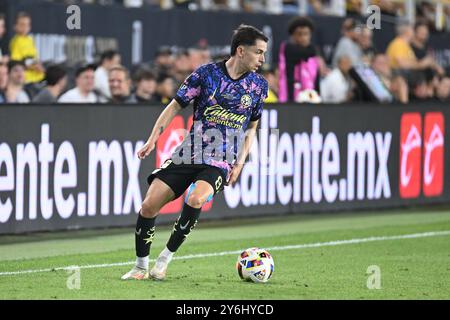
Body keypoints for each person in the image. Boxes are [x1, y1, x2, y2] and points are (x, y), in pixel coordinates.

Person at [121, 24, 268, 281]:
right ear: (241, 51)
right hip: (189, 152)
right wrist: (153, 138)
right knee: (148, 205)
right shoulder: (206, 74)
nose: (262, 59)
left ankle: (164, 259)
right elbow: (175, 106)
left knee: (196, 199)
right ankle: (140, 266)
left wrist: (241, 162)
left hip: (221, 160)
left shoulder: (258, 87)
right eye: (259, 52)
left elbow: (252, 127)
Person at [278, 16, 321, 103]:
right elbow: (310, 51)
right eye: (299, 34)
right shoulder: (287, 48)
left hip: (310, 99)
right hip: (289, 99)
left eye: (306, 34)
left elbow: (316, 80)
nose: (303, 38)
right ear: (293, 36)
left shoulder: (313, 58)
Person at [9, 12, 45, 84]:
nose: (25, 27)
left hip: (38, 78)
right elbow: (16, 62)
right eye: (22, 24)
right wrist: (33, 66)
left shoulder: (30, 39)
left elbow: (34, 58)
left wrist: (39, 66)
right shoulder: (16, 41)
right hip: (26, 80)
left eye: (27, 24)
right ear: (15, 26)